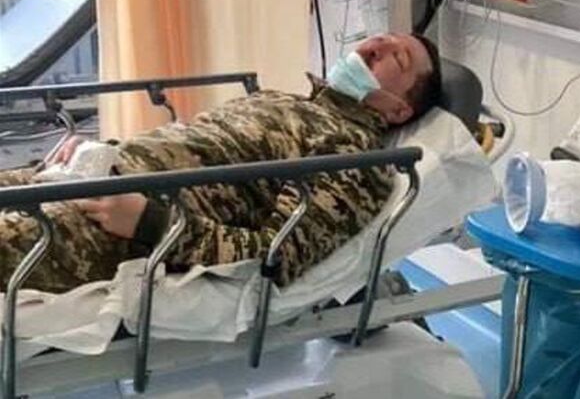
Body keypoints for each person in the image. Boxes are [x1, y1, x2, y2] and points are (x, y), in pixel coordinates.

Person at [0, 32, 442, 293]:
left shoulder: (356, 156)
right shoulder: (282, 99)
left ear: (399, 110)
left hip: (108, 226)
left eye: (397, 57)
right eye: (382, 37)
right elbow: (194, 146)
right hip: (82, 175)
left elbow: (273, 258)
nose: (377, 45)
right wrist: (102, 149)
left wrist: (151, 223)